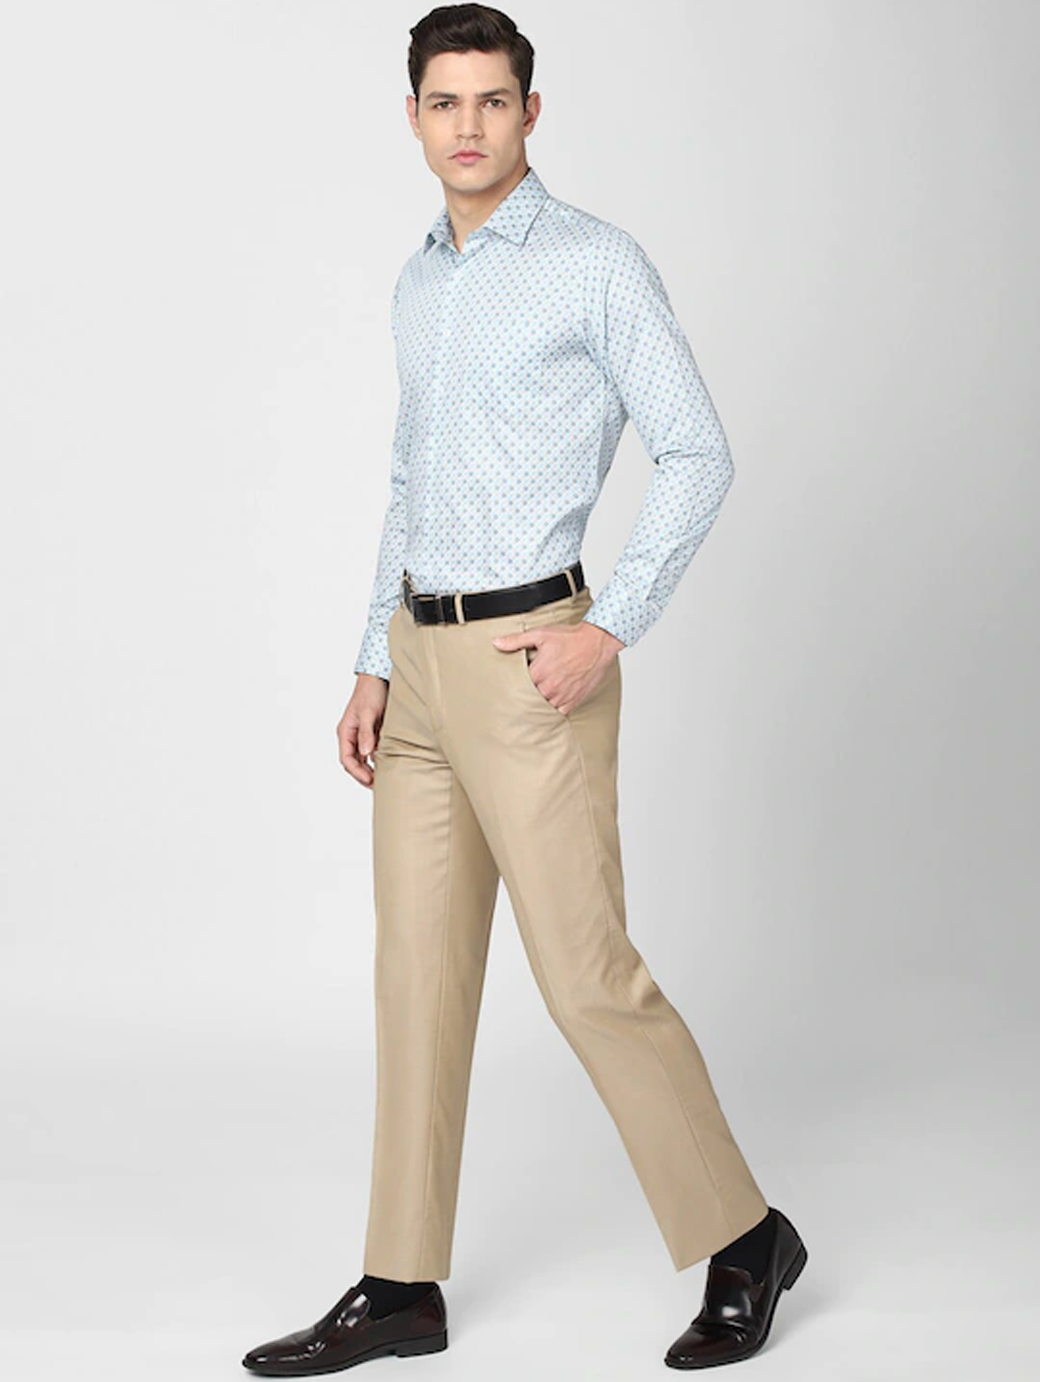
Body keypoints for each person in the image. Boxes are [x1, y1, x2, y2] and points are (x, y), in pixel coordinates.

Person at [242, 4, 807, 1374]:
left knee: (584, 975)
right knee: (417, 981)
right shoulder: (418, 281)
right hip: (421, 669)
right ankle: (401, 1282)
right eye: (445, 102)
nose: (469, 125)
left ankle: (747, 1236)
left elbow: (699, 451)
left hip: (529, 667)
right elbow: (408, 481)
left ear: (531, 112)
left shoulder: (596, 264)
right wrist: (373, 658)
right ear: (414, 117)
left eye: (493, 100)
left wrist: (608, 627)